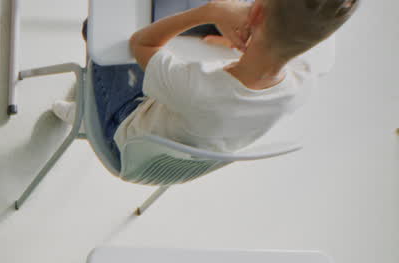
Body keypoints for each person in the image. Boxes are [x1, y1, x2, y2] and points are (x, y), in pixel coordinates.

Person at [54, 0, 358, 159]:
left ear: (255, 15)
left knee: (99, 31)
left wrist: (210, 11)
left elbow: (141, 44)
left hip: (125, 132)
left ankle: (85, 114)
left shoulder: (197, 89)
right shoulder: (305, 82)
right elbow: (282, 44)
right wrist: (245, 41)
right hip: (190, 145)